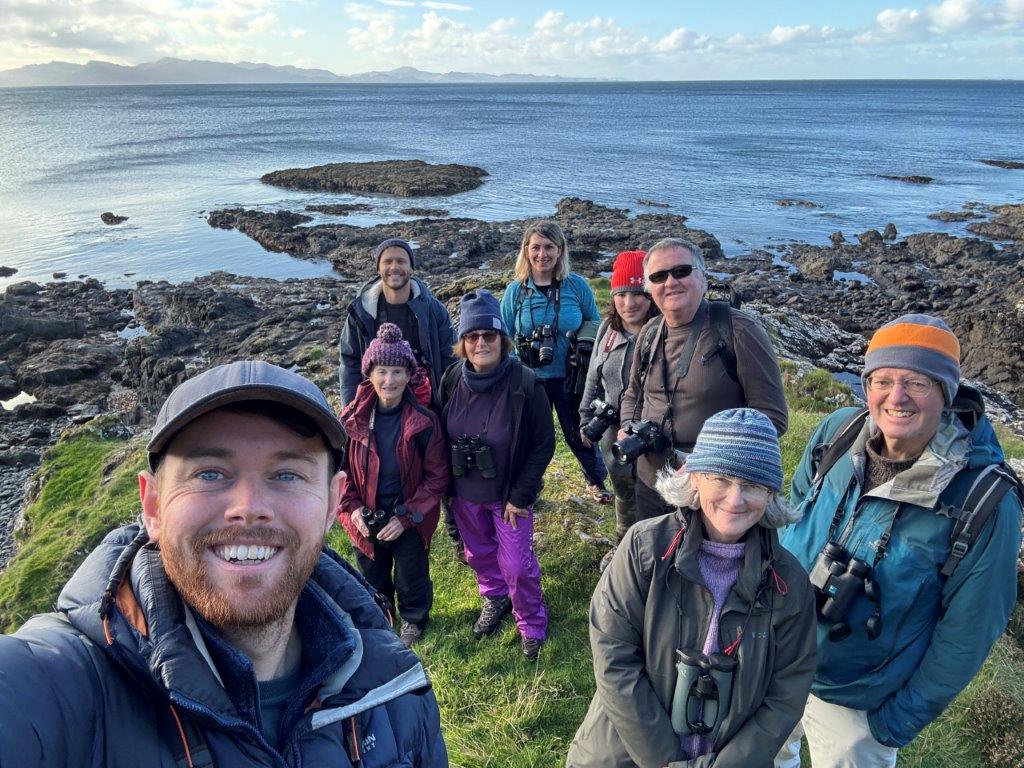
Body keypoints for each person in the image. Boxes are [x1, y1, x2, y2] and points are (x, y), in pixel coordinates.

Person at [0, 360, 447, 767]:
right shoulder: (65, 687)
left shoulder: (395, 689)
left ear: (333, 503)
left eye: (287, 474)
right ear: (151, 505)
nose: (249, 508)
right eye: (209, 473)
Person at [776, 314, 1023, 768]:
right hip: (779, 657)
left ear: (947, 393)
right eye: (883, 380)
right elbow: (793, 513)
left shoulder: (985, 499)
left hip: (862, 701)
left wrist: (893, 725)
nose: (896, 397)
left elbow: (968, 633)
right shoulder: (838, 432)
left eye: (917, 382)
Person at [567, 408, 817, 768]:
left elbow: (787, 692)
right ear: (695, 479)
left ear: (770, 494)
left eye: (752, 485)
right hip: (625, 755)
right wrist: (667, 763)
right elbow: (614, 659)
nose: (735, 499)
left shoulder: (789, 582)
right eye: (721, 479)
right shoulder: (644, 547)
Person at [618, 237, 788, 522]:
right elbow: (633, 393)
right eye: (659, 276)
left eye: (681, 271)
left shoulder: (738, 330)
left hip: (712, 490)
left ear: (703, 277)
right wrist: (628, 428)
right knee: (654, 559)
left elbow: (773, 417)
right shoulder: (649, 332)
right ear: (649, 289)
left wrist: (706, 458)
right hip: (652, 479)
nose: (670, 282)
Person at [437, 289, 556, 660]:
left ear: (502, 339)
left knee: (517, 565)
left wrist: (520, 495)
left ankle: (532, 621)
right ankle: (494, 598)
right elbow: (440, 433)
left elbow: (543, 444)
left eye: (489, 335)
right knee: (479, 555)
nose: (481, 343)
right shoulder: (452, 378)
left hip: (509, 496)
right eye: (472, 336)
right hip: (465, 493)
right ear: (463, 343)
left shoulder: (526, 384)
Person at [337, 237, 463, 561]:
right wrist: (353, 407)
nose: (395, 267)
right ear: (379, 267)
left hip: (427, 402)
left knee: (440, 467)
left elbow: (449, 355)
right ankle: (378, 524)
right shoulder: (362, 310)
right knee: (381, 464)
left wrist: (448, 400)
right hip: (379, 402)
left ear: (411, 266)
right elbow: (350, 361)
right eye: (388, 261)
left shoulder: (430, 307)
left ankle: (456, 535)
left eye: (401, 261)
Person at [337, 323, 449, 648]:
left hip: (408, 517)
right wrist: (354, 509)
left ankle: (414, 618)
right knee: (372, 575)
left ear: (409, 375)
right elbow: (338, 471)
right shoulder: (349, 420)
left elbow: (437, 477)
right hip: (365, 517)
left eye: (398, 371)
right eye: (382, 371)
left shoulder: (425, 421)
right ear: (369, 373)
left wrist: (407, 517)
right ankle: (382, 617)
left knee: (411, 575)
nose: (390, 380)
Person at [500, 221, 610, 502]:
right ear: (526, 251)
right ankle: (530, 488)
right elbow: (504, 334)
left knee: (579, 433)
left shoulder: (576, 286)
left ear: (560, 250)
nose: (542, 254)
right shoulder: (516, 291)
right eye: (535, 247)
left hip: (569, 375)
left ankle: (596, 479)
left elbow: (594, 322)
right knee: (530, 438)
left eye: (549, 247)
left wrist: (582, 349)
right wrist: (516, 362)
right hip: (529, 378)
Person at [578, 250, 659, 571]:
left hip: (652, 434)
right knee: (624, 493)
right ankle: (623, 544)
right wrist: (586, 418)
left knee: (655, 496)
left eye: (638, 294)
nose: (630, 303)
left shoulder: (663, 332)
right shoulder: (607, 331)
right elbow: (593, 376)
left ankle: (655, 551)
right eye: (622, 294)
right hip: (612, 431)